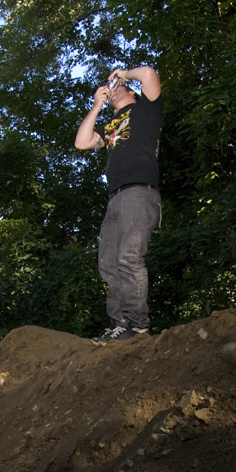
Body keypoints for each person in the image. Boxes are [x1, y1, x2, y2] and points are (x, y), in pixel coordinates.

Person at [75, 66, 162, 343]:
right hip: (115, 198)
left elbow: (148, 74)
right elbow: (82, 142)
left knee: (128, 258)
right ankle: (120, 324)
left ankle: (138, 325)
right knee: (109, 264)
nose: (111, 91)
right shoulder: (109, 123)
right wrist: (97, 105)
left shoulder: (145, 111)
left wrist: (121, 75)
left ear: (130, 92)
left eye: (116, 89)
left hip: (139, 191)